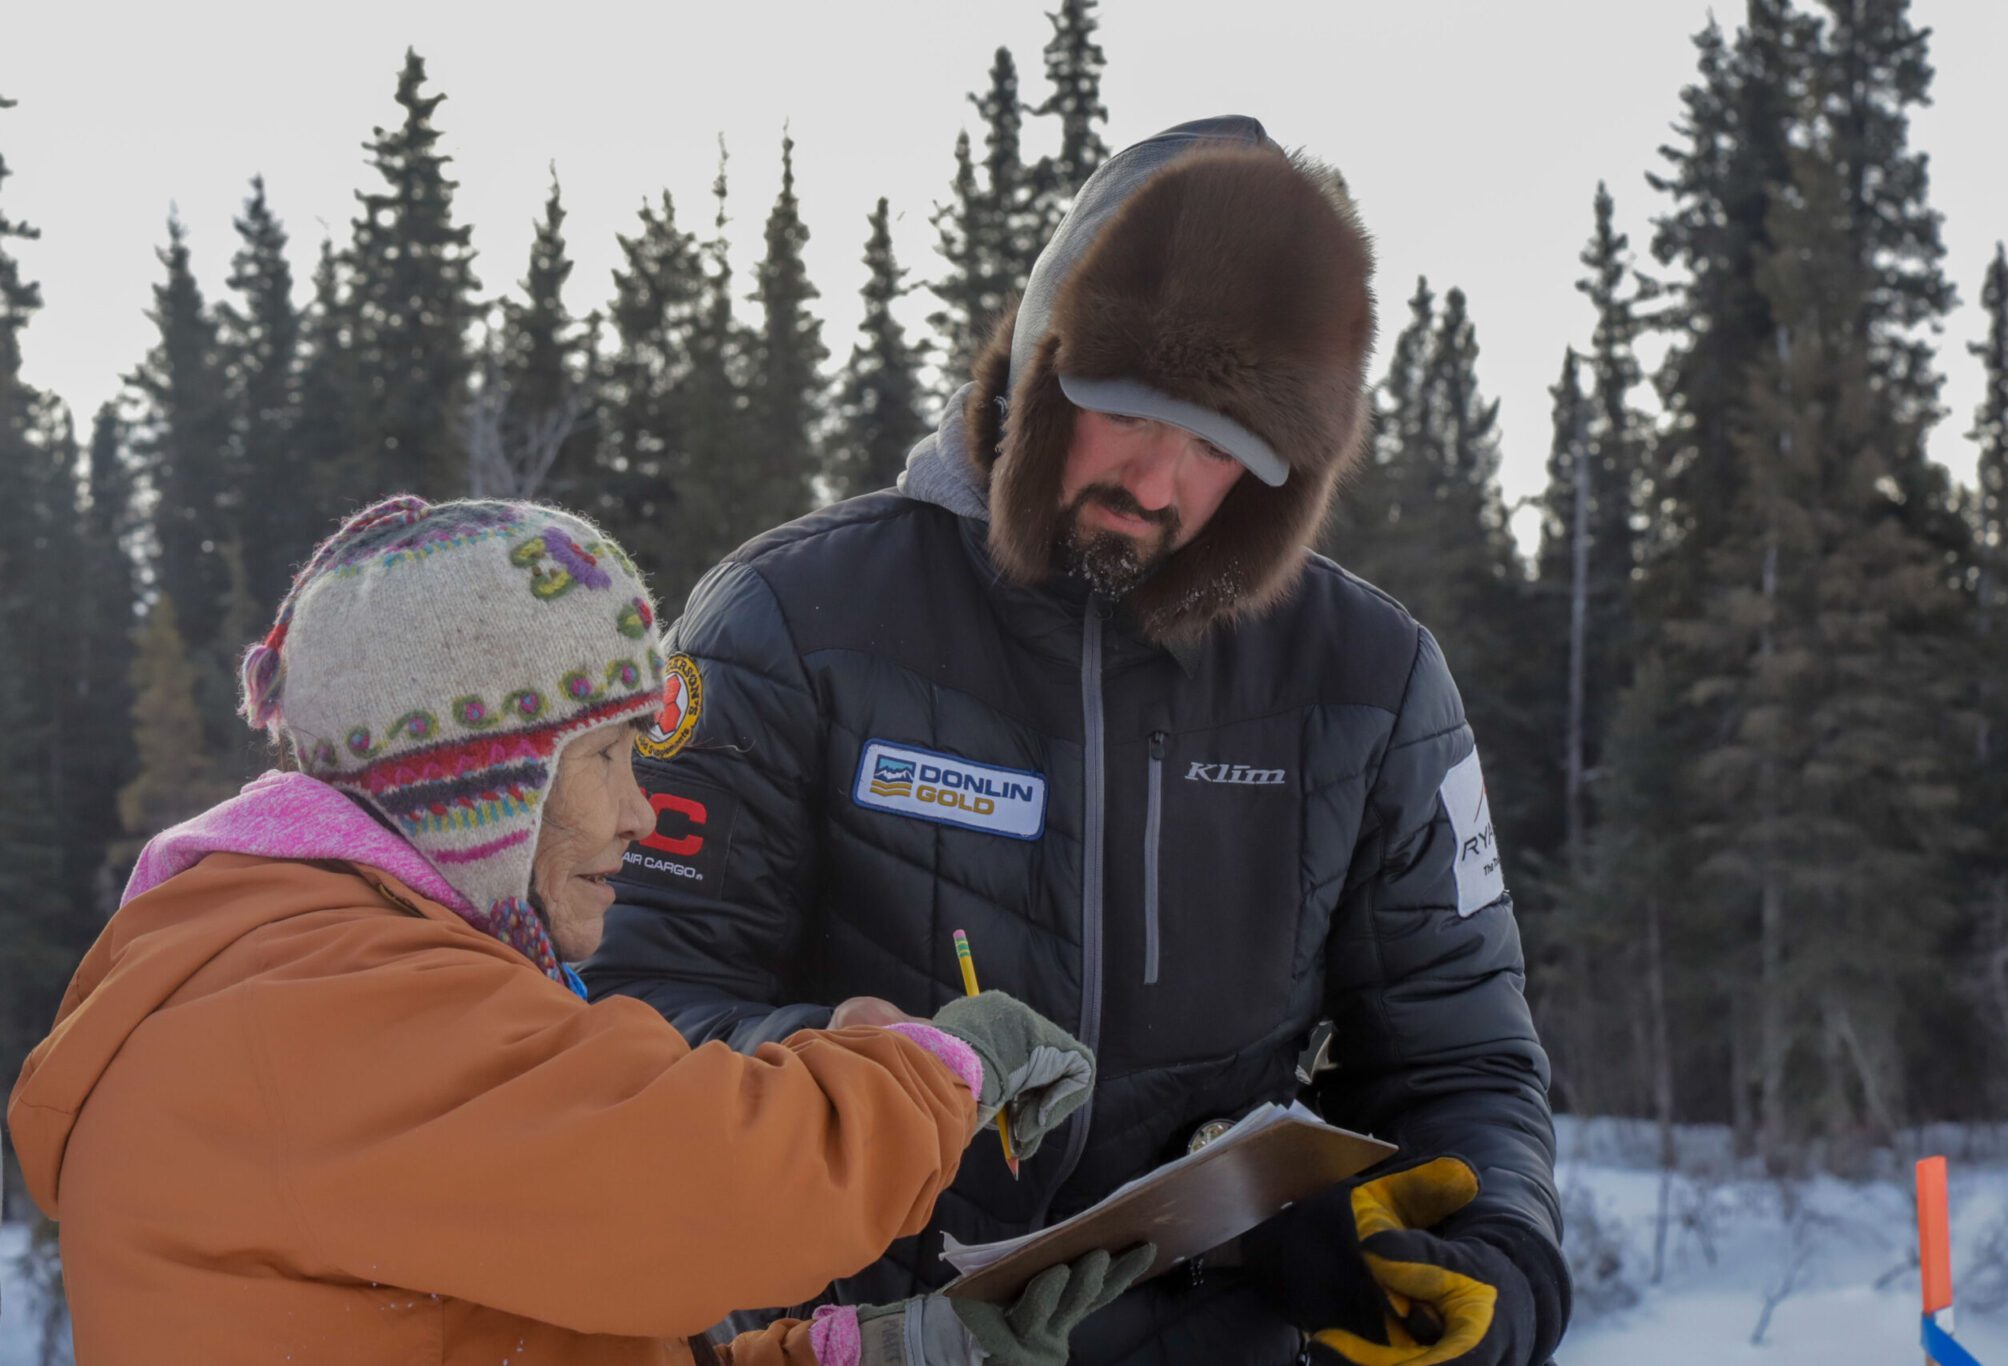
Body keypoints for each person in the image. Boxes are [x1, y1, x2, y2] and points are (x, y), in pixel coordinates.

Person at [585, 116, 1571, 1366]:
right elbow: (633, 1013)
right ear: (1042, 369)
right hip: (852, 1335)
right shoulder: (790, 621)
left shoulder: (1366, 679)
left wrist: (1495, 1258)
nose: (1157, 485)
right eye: (1132, 411)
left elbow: (1460, 1052)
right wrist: (853, 1070)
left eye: (1221, 447)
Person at [5, 495, 1148, 1365]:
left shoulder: (324, 972)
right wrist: (934, 1071)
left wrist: (852, 1353)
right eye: (602, 758)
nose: (641, 812)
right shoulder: (303, 1002)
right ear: (477, 788)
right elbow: (713, 1190)